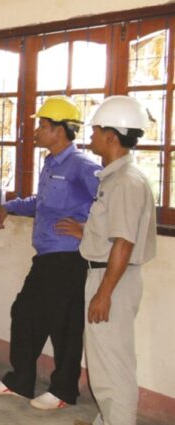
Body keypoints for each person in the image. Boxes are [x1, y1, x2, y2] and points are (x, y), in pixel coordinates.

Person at [0, 96, 102, 410]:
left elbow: (112, 203)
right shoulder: (51, 163)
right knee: (24, 313)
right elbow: (42, 202)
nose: (36, 131)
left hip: (69, 258)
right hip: (47, 257)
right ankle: (20, 382)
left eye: (42, 126)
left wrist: (87, 228)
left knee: (64, 326)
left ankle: (63, 392)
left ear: (59, 131)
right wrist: (10, 205)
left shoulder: (82, 166)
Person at [66, 96, 156, 425]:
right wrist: (87, 232)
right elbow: (114, 233)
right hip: (108, 275)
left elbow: (124, 242)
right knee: (105, 364)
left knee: (112, 370)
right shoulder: (116, 178)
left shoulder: (126, 182)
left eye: (95, 131)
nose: (90, 137)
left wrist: (104, 293)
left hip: (112, 280)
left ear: (111, 136)